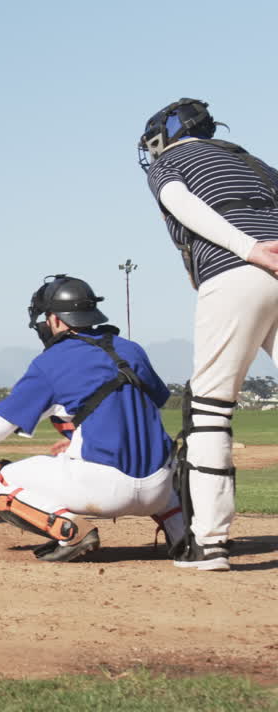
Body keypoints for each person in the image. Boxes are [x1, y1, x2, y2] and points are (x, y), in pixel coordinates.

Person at [0, 276, 185, 563]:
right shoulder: (131, 349)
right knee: (167, 468)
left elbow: (2, 419)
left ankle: (70, 531)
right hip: (159, 489)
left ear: (55, 319)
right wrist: (77, 441)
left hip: (102, 489)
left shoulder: (54, 360)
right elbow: (149, 404)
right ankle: (182, 532)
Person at [138, 98, 278, 570]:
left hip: (238, 271)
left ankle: (209, 543)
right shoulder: (254, 163)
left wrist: (247, 247)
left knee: (210, 408)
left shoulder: (172, 160)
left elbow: (178, 201)